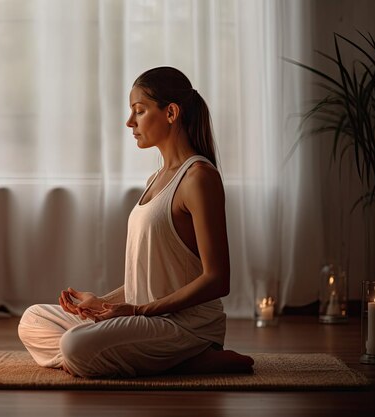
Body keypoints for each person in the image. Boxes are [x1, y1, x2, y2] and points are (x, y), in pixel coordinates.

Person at [18, 66, 253, 378]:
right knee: (32, 320)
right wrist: (102, 304)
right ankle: (180, 362)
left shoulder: (199, 178)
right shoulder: (155, 178)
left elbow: (218, 279)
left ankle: (196, 351)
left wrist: (138, 311)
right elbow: (149, 280)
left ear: (171, 113)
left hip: (183, 325)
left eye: (139, 111)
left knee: (76, 345)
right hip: (143, 319)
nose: (130, 122)